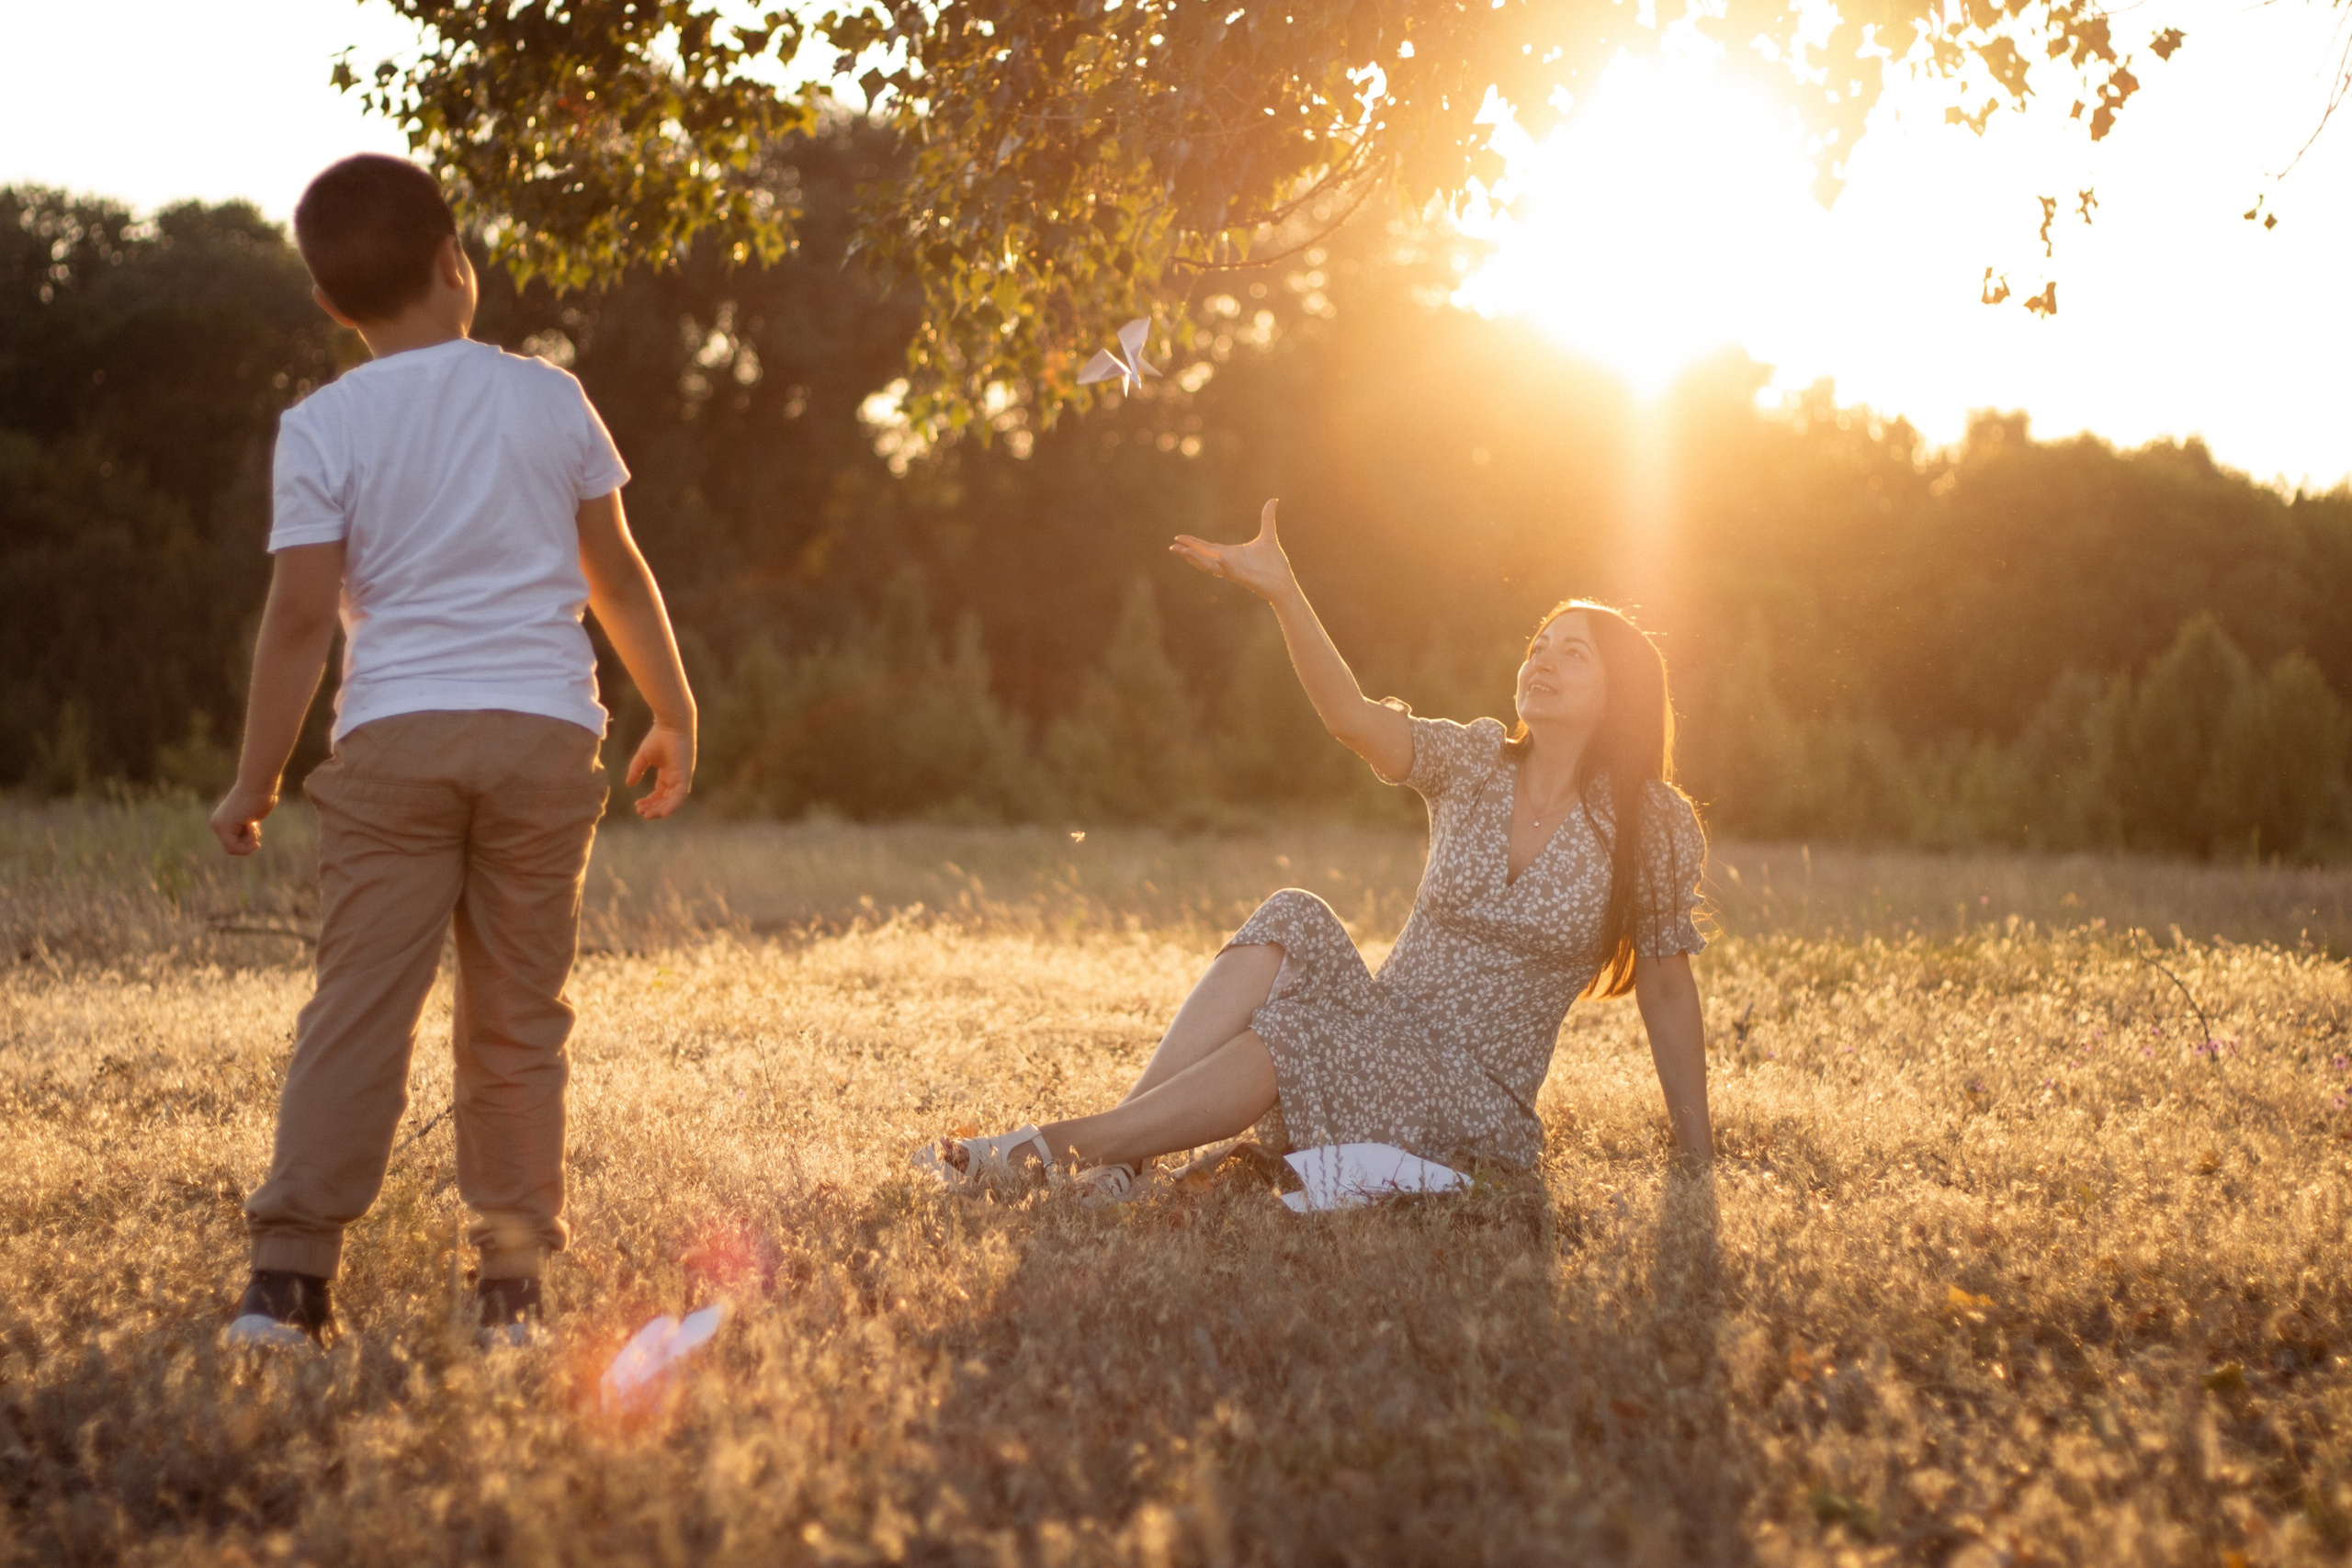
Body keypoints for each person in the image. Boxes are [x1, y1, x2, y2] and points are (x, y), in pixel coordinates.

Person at [208, 154, 697, 1347]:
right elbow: (618, 574)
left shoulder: (320, 425)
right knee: (519, 1014)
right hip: (542, 736)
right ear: (454, 262)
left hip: (395, 742)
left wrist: (256, 776)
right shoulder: (551, 397)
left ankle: (287, 1283)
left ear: (332, 306)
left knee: (359, 1005)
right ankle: (510, 1289)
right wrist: (674, 712)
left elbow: (301, 620)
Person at [918, 500, 1711, 1195]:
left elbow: (1668, 992)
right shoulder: (1474, 763)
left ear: (1623, 693)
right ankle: (1125, 1162)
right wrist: (1283, 592)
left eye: (1575, 652)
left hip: (1475, 1096)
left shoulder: (1653, 825)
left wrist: (1697, 1155)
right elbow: (1352, 718)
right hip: (1377, 1029)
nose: (1543, 658)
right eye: (1540, 642)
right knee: (1294, 912)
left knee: (1300, 1031)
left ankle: (1046, 1151)